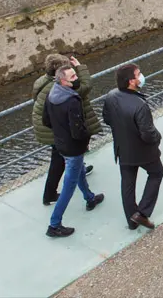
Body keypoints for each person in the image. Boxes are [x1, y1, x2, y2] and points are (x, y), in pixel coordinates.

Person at [43, 65, 104, 238]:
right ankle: (54, 225)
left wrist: (60, 132)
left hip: (60, 144)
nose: (76, 78)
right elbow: (78, 131)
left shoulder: (52, 95)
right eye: (72, 77)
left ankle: (90, 198)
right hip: (73, 148)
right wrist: (86, 140)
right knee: (69, 186)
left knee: (78, 173)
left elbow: (46, 120)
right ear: (63, 80)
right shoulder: (72, 101)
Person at [31, 54, 100, 206]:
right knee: (59, 161)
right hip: (52, 127)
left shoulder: (42, 81)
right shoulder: (61, 88)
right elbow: (85, 87)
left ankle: (80, 172)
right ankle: (49, 195)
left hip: (46, 123)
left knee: (70, 155)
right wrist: (80, 68)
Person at [102, 64, 163, 231]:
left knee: (127, 183)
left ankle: (132, 221)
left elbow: (107, 119)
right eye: (139, 74)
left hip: (123, 149)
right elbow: (148, 134)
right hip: (143, 151)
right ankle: (142, 212)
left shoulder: (111, 96)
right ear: (131, 81)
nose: (141, 76)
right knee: (157, 173)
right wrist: (158, 137)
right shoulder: (139, 105)